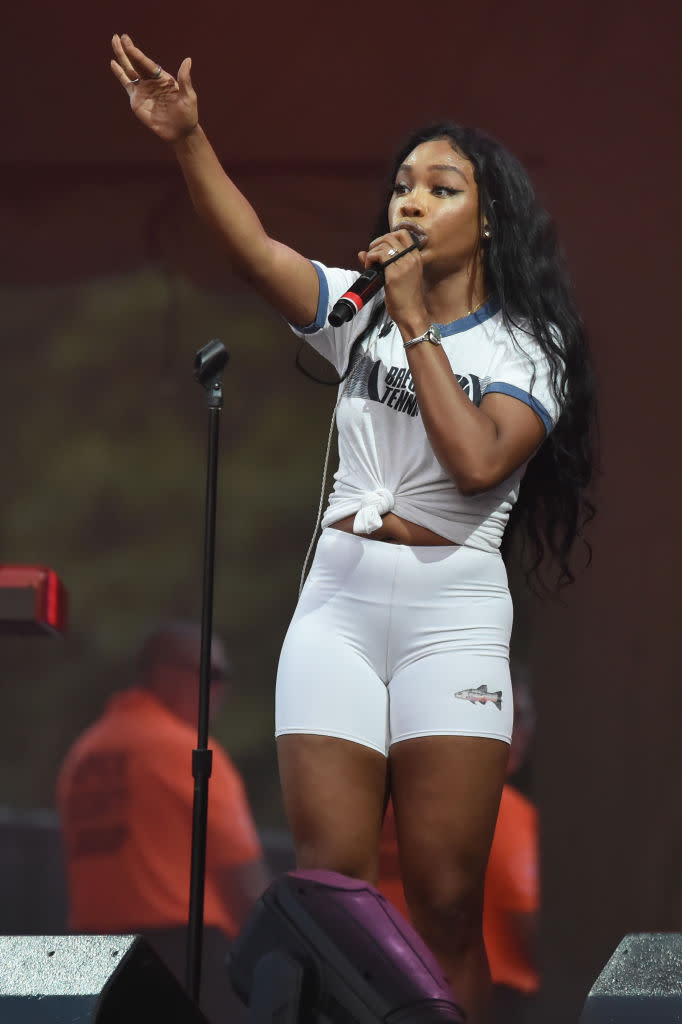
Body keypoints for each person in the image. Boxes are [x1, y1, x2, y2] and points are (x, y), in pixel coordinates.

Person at [109, 35, 596, 1023]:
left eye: (441, 187)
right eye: (403, 185)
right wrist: (189, 139)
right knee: (330, 895)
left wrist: (414, 317)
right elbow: (252, 249)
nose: (409, 201)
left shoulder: (527, 348)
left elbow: (471, 461)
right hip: (337, 602)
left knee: (448, 905)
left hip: (449, 612)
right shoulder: (360, 307)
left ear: (489, 217)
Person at [56, 621, 270, 1021]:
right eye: (214, 675)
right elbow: (246, 889)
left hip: (87, 962)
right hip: (181, 963)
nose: (221, 690)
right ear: (166, 672)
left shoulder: (84, 753)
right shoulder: (187, 752)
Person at [378, 669, 541, 1024]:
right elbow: (536, 933)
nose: (524, 730)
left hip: (384, 990)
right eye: (512, 713)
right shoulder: (495, 805)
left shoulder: (386, 799)